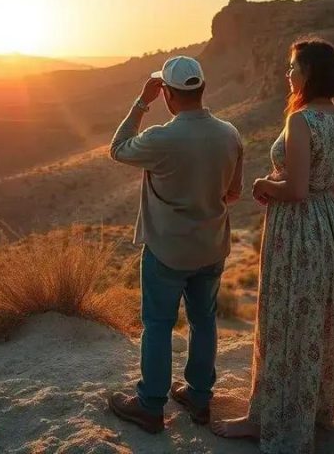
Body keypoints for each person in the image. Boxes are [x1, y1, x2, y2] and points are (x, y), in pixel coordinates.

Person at [211, 38, 334, 453]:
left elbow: (294, 189)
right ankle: (313, 410)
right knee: (317, 319)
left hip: (297, 230)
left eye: (292, 67)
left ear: (309, 73)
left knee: (285, 320)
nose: (287, 74)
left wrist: (261, 184)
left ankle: (268, 420)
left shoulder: (303, 121)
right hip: (328, 225)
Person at [106, 55, 244, 434]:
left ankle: (151, 406)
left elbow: (117, 148)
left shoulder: (160, 138)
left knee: (158, 325)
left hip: (167, 250)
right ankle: (199, 398)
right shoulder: (230, 133)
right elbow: (233, 194)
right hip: (212, 247)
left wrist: (140, 102)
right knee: (204, 322)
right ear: (202, 88)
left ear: (167, 94)